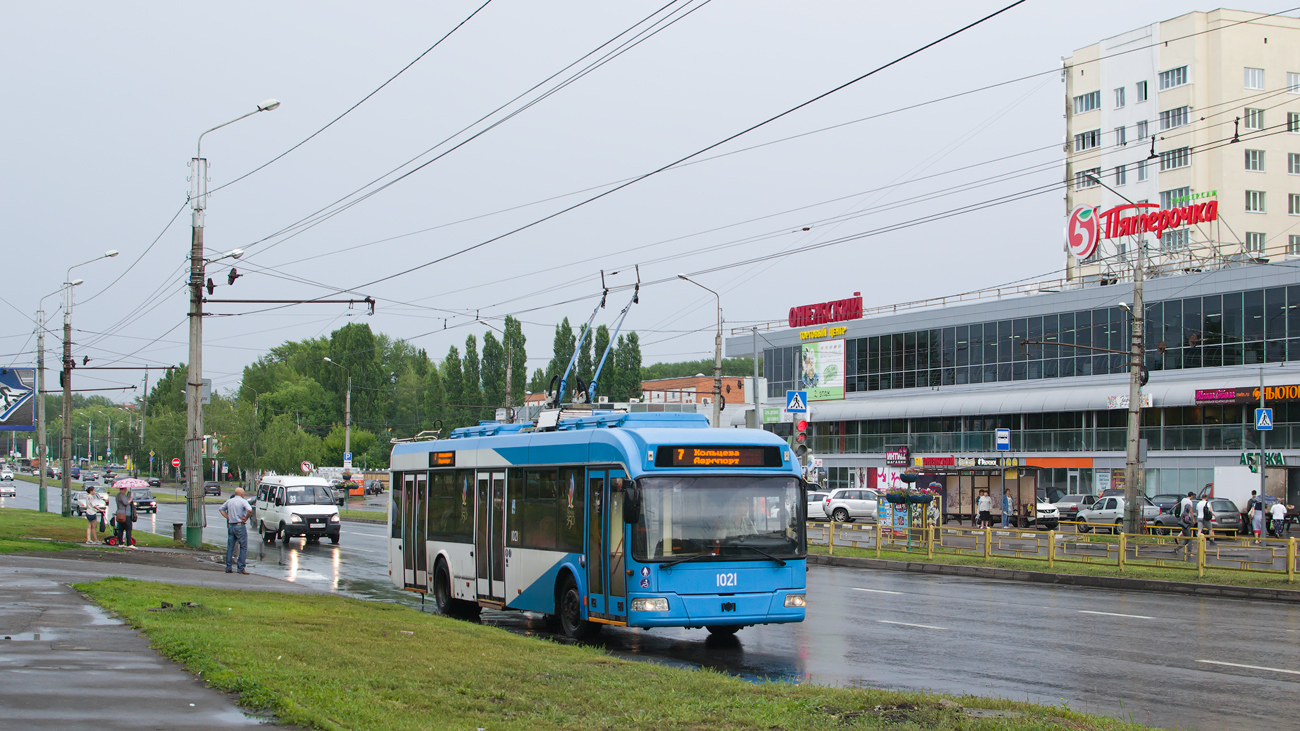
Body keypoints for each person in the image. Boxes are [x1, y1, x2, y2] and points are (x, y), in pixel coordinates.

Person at [219, 487, 254, 574]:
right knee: (243, 547)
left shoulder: (229, 501)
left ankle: (228, 567)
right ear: (242, 494)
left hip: (231, 525)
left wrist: (228, 517)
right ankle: (241, 568)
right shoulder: (243, 501)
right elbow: (250, 510)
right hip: (239, 525)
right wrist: (246, 517)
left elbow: (221, 509)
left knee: (230, 547)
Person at [113, 484, 136, 549]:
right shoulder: (122, 495)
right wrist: (130, 500)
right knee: (128, 529)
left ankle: (120, 543)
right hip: (125, 515)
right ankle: (129, 544)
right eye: (126, 488)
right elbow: (125, 502)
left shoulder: (118, 495)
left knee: (121, 529)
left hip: (119, 514)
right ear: (124, 488)